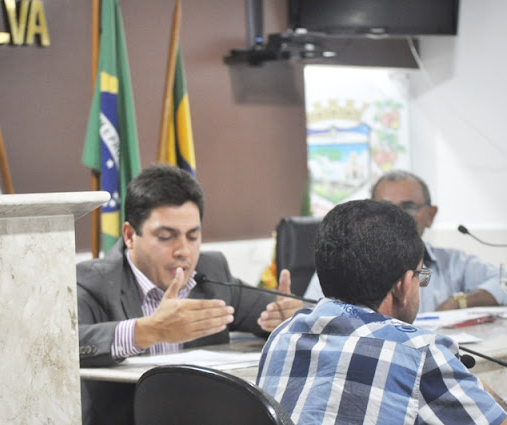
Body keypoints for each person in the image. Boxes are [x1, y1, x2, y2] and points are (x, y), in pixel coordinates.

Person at [76, 164, 302, 425]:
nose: (183, 250)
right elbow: (66, 346)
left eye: (193, 236)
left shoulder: (211, 271)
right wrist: (147, 331)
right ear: (129, 235)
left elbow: (273, 312)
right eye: (166, 236)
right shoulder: (95, 281)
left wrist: (289, 318)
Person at [257, 199, 507, 425]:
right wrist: (484, 392)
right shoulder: (420, 352)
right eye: (420, 275)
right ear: (404, 285)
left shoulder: (282, 337)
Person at [304, 169, 506, 312]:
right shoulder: (344, 264)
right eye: (385, 207)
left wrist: (459, 301)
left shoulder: (453, 263)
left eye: (408, 207)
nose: (397, 216)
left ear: (430, 215)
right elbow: (313, 313)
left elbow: (503, 282)